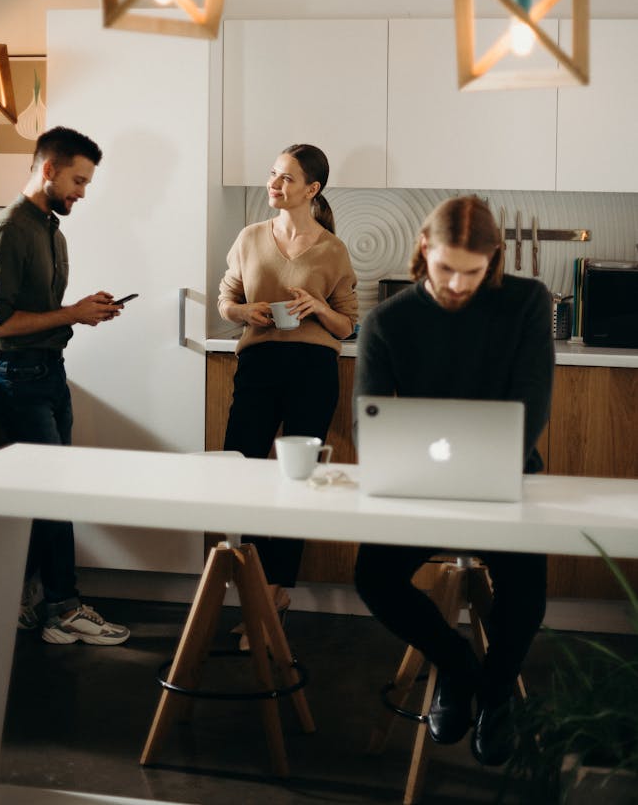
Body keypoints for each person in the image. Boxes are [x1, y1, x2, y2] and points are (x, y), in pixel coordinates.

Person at [353, 195, 553, 766]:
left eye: (474, 271)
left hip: (509, 475)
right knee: (373, 575)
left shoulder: (526, 303)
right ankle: (463, 670)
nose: (459, 284)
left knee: (527, 589)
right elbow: (368, 422)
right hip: (418, 483)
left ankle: (494, 694)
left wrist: (492, 468)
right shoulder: (388, 319)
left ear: (495, 259)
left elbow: (532, 404)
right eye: (446, 269)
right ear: (424, 249)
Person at [0, 126, 130, 646]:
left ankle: (38, 602)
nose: (82, 193)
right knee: (52, 495)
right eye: (78, 181)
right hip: (18, 379)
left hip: (49, 375)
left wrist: (82, 311)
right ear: (48, 169)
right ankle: (63, 609)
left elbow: (42, 314)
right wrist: (71, 313)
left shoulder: (52, 231)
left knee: (52, 494)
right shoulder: (8, 230)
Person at [218, 143, 358, 627]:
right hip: (258, 365)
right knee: (244, 471)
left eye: (286, 179)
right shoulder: (250, 237)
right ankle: (256, 590)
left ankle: (273, 596)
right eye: (273, 174)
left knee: (297, 482)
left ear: (312, 190)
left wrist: (317, 307)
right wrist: (243, 313)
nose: (274, 185)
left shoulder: (332, 248)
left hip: (313, 369)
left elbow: (346, 326)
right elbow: (226, 300)